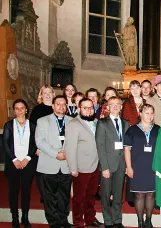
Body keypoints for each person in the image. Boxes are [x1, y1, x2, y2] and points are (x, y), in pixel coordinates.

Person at [35, 95, 73, 228]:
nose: (61, 107)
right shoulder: (42, 121)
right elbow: (40, 141)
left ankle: (63, 219)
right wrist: (56, 153)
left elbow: (75, 141)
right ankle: (54, 222)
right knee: (50, 196)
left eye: (63, 104)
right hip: (49, 163)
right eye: (58, 104)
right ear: (53, 106)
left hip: (66, 165)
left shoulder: (72, 121)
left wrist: (67, 153)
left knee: (64, 195)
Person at [65, 98, 103, 228]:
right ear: (79, 109)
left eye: (91, 107)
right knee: (79, 198)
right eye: (85, 108)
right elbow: (70, 148)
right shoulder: (73, 124)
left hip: (95, 166)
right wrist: (73, 168)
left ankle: (90, 219)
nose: (88, 110)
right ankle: (78, 222)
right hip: (81, 168)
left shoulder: (97, 122)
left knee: (90, 196)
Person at [95, 96, 130, 228]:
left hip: (121, 164)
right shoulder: (102, 123)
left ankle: (117, 220)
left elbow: (127, 146)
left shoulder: (126, 123)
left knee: (118, 194)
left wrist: (127, 164)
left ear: (121, 107)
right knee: (105, 194)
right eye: (112, 104)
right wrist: (104, 167)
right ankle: (108, 221)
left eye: (118, 104)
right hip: (108, 165)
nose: (115, 106)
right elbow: (100, 146)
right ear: (108, 107)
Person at [124, 104, 160, 228]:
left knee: (151, 194)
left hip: (152, 165)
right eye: (146, 113)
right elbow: (127, 150)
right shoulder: (132, 130)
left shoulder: (157, 129)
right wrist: (128, 167)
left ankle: (148, 220)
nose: (149, 116)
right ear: (140, 114)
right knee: (139, 194)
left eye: (151, 113)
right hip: (137, 166)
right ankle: (140, 221)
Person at [3, 99, 37, 228]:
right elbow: (5, 144)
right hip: (13, 163)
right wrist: (14, 160)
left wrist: (27, 158)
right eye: (16, 108)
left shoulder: (32, 125)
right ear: (14, 110)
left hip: (27, 162)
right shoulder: (9, 125)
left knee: (26, 191)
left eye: (22, 108)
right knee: (13, 190)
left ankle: (25, 217)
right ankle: (15, 217)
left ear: (26, 109)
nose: (19, 111)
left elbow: (34, 144)